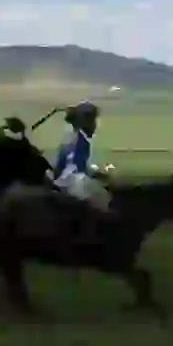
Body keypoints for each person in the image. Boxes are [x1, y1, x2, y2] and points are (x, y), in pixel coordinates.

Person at [52, 100, 116, 242]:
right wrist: (95, 174)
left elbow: (62, 163)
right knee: (103, 199)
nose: (95, 126)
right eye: (93, 121)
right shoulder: (80, 140)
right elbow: (76, 166)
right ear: (85, 122)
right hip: (74, 180)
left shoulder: (70, 136)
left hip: (65, 179)